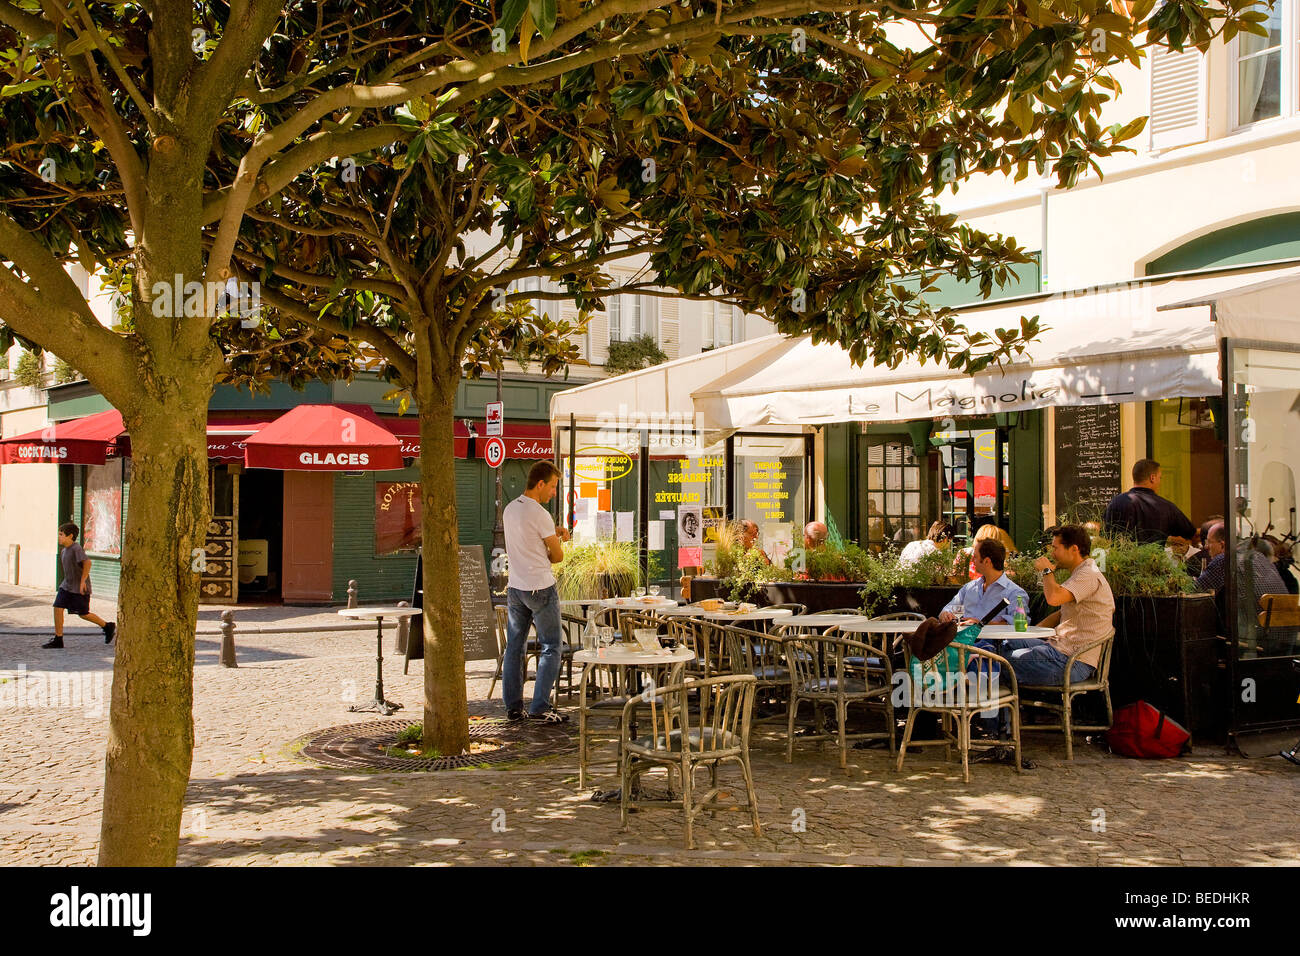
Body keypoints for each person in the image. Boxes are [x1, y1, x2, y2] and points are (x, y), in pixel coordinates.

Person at [999, 524, 1115, 686]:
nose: (1052, 554)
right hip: (1060, 650)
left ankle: (1000, 707)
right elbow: (1062, 613)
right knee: (1006, 644)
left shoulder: (1088, 575)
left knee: (998, 660)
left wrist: (1047, 571)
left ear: (1074, 549)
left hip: (1072, 662)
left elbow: (1053, 598)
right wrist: (1030, 633)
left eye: (1055, 548)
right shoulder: (1082, 573)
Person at [501, 461, 571, 723]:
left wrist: (551, 533)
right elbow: (557, 556)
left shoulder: (510, 509)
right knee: (552, 646)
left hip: (516, 588)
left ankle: (513, 707)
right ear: (540, 484)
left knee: (514, 648)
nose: (554, 492)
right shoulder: (540, 514)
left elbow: (526, 536)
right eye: (552, 487)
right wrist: (556, 539)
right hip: (540, 587)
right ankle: (540, 707)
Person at [1194, 523, 1290, 627]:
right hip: (1286, 634)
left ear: (1222, 545)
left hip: (1256, 637)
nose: (1206, 547)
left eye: (1209, 542)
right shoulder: (1259, 556)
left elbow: (1196, 591)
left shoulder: (1225, 560)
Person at [44, 522, 115, 650]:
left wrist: (83, 582)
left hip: (79, 588)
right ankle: (58, 639)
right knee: (57, 607)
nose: (59, 537)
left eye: (61, 535)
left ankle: (107, 626)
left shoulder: (76, 548)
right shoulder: (64, 551)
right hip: (66, 586)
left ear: (70, 536)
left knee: (83, 614)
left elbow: (87, 563)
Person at [1102, 458, 1196, 546]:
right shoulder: (1166, 507)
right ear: (1152, 478)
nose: (1160, 482)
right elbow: (1190, 532)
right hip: (1153, 561)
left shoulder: (1115, 503)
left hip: (1119, 563)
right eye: (1160, 478)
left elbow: (1104, 535)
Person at [940, 539, 1028, 626]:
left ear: (986, 561)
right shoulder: (969, 587)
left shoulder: (1015, 593)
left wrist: (981, 624)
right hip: (962, 637)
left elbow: (1018, 624)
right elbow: (948, 608)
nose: (972, 560)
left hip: (991, 639)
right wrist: (945, 614)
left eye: (975, 556)